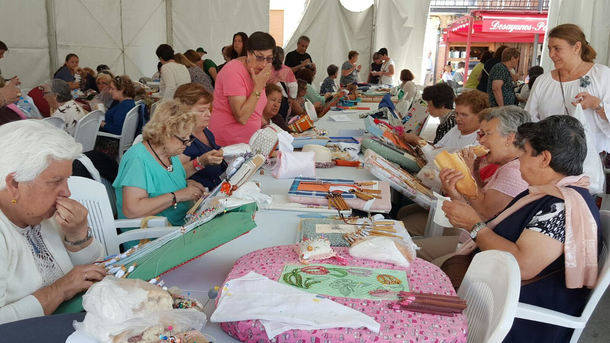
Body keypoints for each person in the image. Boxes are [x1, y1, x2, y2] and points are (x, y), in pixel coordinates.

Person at [442, 115, 601, 342]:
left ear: (544, 158)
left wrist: (473, 225)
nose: (519, 159)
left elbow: (522, 265)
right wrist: (459, 198)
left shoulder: (562, 207)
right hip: (500, 292)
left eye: (524, 152)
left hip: (522, 314)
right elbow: (501, 227)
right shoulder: (545, 193)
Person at [0, 120, 105, 324]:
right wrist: (61, 290)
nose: (67, 192)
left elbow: (93, 271)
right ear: (14, 184)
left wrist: (77, 234)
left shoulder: (41, 214)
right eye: (56, 182)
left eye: (67, 180)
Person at [113, 100, 206, 228]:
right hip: (152, 235)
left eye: (189, 138)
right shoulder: (137, 159)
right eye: (183, 139)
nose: (188, 144)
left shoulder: (169, 154)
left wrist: (188, 185)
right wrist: (178, 195)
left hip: (180, 224)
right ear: (164, 133)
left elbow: (164, 181)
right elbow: (132, 210)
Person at [525, 23, 609, 154]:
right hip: (551, 160)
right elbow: (529, 120)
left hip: (591, 158)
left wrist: (596, 104)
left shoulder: (602, 75)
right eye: (549, 49)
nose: (551, 54)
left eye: (557, 48)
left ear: (576, 47)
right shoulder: (543, 81)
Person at [440, 106, 530, 221]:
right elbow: (479, 203)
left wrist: (469, 174)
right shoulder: (509, 166)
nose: (481, 140)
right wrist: (472, 175)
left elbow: (484, 213)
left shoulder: (515, 172)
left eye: (488, 134)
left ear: (509, 138)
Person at [207, 32, 275, 146]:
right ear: (248, 53)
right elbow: (242, 117)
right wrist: (258, 87)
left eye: (269, 59)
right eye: (259, 58)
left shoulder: (259, 70)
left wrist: (267, 127)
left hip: (249, 144)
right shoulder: (233, 71)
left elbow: (255, 109)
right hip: (228, 146)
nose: (264, 64)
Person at [174, 83, 226, 190]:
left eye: (209, 109)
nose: (209, 114)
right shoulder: (180, 140)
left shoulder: (206, 132)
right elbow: (174, 176)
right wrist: (200, 162)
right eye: (202, 111)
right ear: (184, 111)